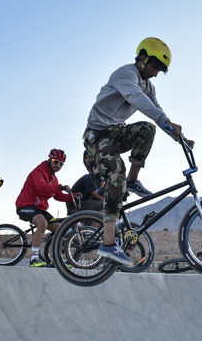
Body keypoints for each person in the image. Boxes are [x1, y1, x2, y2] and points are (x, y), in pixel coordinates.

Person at [83, 37, 193, 266]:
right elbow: (137, 99)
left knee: (147, 129)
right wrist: (165, 121)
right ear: (142, 57)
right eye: (154, 67)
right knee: (116, 173)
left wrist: (178, 136)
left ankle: (132, 182)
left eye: (160, 71)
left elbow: (157, 110)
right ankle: (108, 243)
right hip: (98, 135)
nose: (155, 73)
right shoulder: (125, 74)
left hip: (117, 132)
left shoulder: (149, 86)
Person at [16, 149, 74, 267]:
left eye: (61, 164)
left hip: (39, 209)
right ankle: (33, 259)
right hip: (25, 205)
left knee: (59, 229)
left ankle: (56, 259)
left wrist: (73, 197)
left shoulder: (54, 178)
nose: (58, 165)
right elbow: (41, 187)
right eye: (55, 161)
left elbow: (57, 196)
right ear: (49, 159)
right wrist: (59, 187)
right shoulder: (38, 171)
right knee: (42, 223)